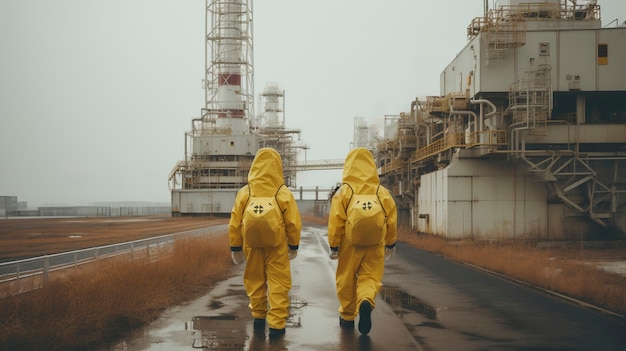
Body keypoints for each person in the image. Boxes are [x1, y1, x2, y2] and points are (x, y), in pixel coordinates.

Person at [228, 148, 302, 339]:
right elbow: (293, 222)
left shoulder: (245, 192)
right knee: (278, 283)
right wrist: (293, 245)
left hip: (252, 245)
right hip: (276, 245)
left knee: (255, 280)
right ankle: (277, 325)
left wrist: (235, 247)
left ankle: (258, 318)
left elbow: (235, 222)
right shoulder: (282, 192)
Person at [327, 147, 397, 335]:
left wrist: (334, 245)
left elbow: (335, 221)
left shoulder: (344, 191)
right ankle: (365, 300)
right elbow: (391, 219)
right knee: (370, 277)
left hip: (350, 243)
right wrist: (390, 242)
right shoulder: (382, 192)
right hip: (375, 242)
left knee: (346, 278)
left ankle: (347, 316)